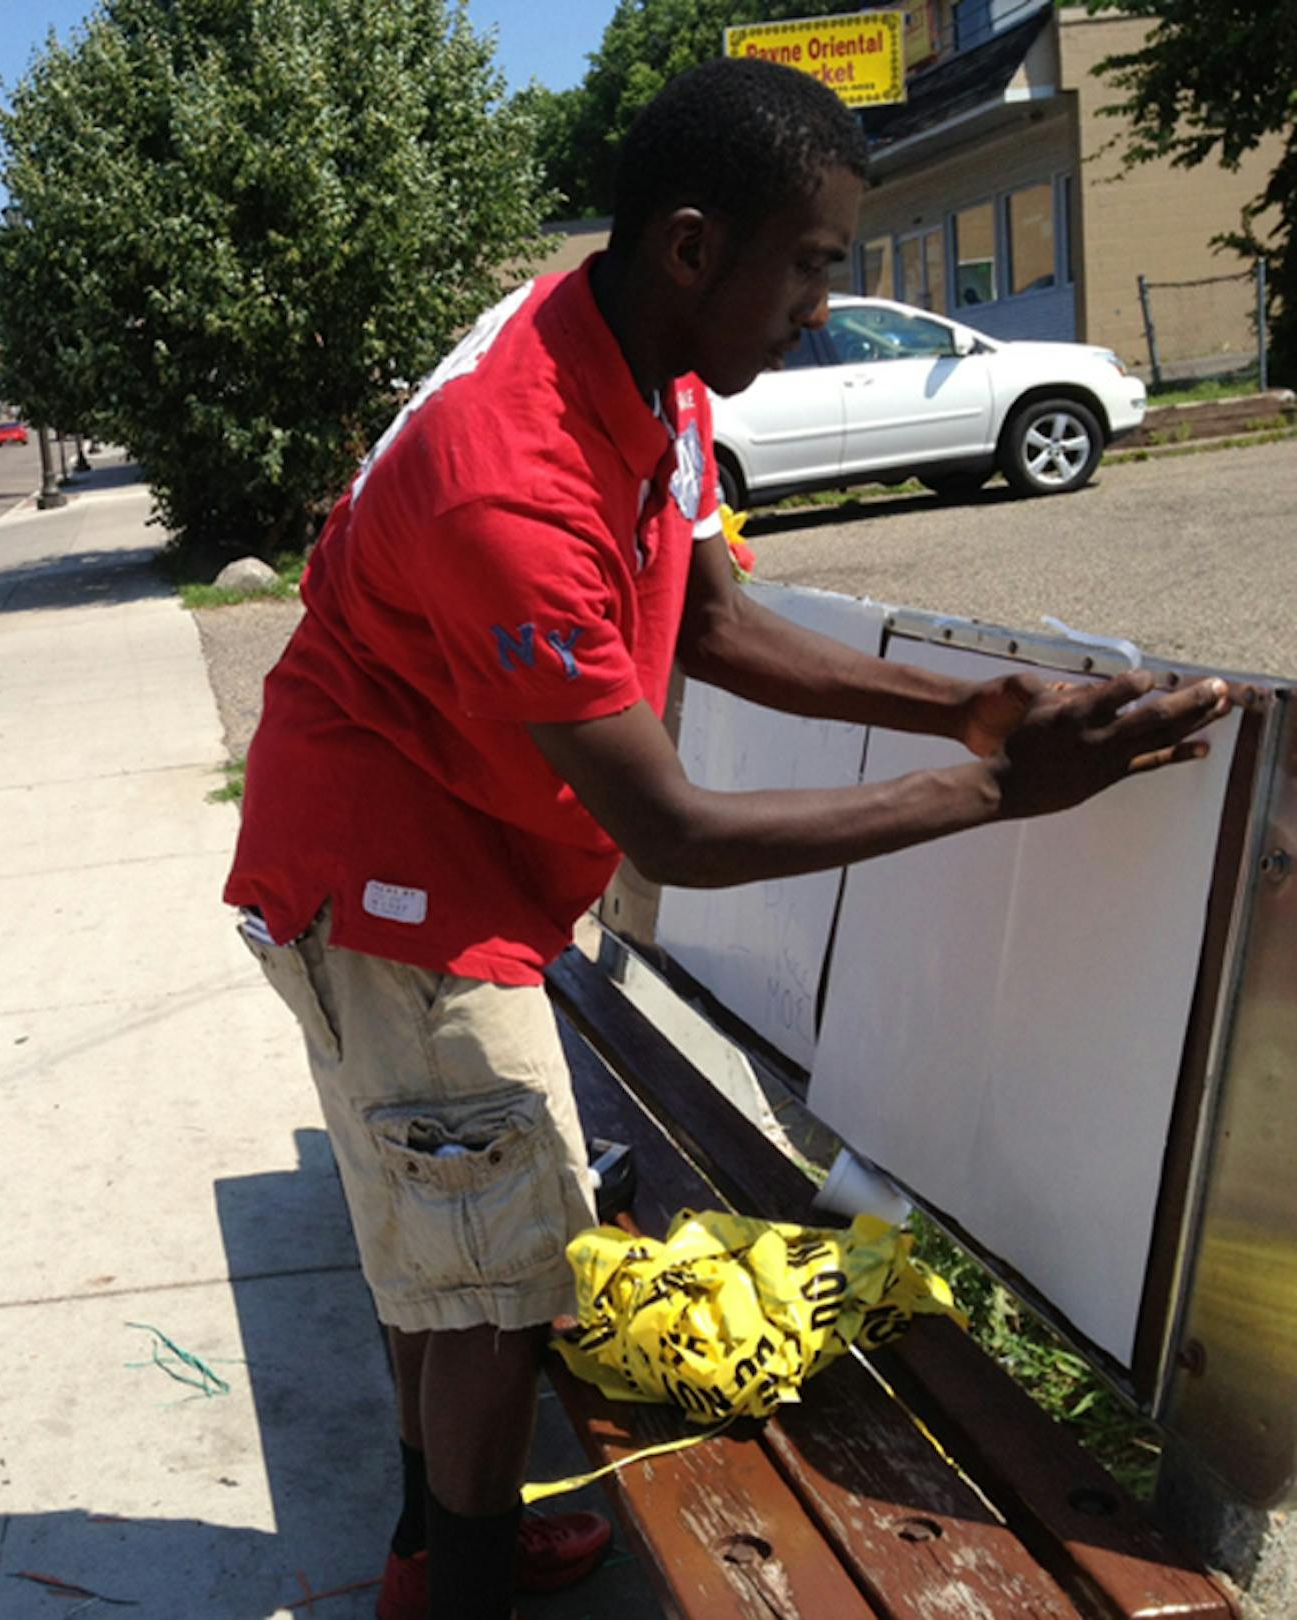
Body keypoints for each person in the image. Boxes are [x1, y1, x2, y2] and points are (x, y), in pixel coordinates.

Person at [222, 55, 1228, 1620]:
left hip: (453, 853)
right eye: (814, 262)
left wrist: (959, 714)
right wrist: (1000, 795)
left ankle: (441, 1544)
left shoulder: (659, 368)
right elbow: (674, 829)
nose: (825, 304)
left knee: (453, 1254)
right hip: (392, 896)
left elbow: (711, 619)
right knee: (499, 1289)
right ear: (695, 245)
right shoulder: (511, 476)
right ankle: (453, 1592)